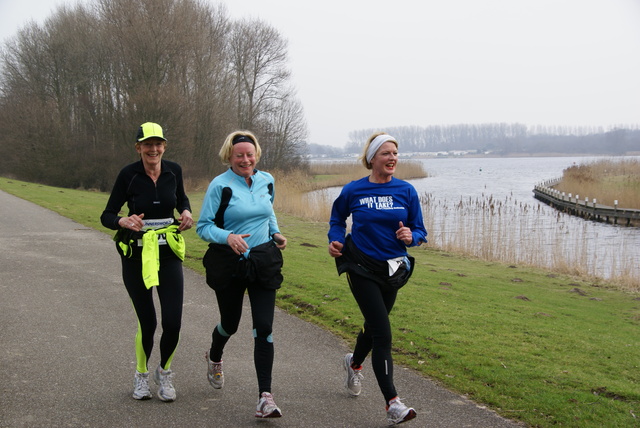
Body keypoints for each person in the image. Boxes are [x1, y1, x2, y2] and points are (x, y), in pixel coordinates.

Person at [328, 132, 427, 425]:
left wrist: (412, 236)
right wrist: (336, 240)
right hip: (360, 265)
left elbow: (419, 230)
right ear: (372, 159)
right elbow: (337, 220)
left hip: (393, 268)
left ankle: (354, 362)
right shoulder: (354, 190)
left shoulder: (407, 191)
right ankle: (393, 403)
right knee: (383, 333)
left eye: (395, 153)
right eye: (386, 153)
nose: (392, 158)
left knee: (374, 327)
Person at [197, 130, 287, 418]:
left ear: (256, 155)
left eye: (250, 154)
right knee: (230, 324)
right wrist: (228, 237)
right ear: (230, 156)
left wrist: (275, 232)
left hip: (263, 259)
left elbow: (268, 210)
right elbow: (203, 227)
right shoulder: (220, 186)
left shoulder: (267, 180)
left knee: (264, 327)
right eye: (239, 155)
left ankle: (265, 397)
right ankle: (215, 355)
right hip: (229, 262)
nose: (245, 159)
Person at [100, 122, 193, 402]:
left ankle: (164, 373)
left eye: (158, 144)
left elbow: (181, 199)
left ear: (164, 145)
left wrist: (186, 211)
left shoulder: (174, 170)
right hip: (137, 256)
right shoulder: (128, 174)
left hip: (167, 254)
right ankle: (141, 374)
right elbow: (107, 214)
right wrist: (123, 221)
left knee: (173, 322)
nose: (153, 149)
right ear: (138, 147)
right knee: (148, 322)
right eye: (147, 144)